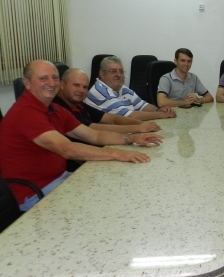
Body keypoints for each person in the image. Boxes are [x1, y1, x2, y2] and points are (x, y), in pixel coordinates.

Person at [0, 60, 163, 211]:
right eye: (43, 78)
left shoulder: (54, 109)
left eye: (55, 78)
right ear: (27, 83)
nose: (51, 83)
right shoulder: (25, 113)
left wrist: (131, 138)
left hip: (61, 179)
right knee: (108, 206)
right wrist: (119, 154)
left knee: (118, 191)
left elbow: (94, 135)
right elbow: (67, 149)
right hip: (35, 194)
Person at [54, 68, 161, 134]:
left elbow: (112, 119)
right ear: (62, 85)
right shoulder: (59, 108)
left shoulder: (79, 105)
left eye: (85, 87)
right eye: (76, 85)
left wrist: (141, 124)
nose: (81, 90)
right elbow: (94, 129)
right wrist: (137, 128)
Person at [85, 56, 176, 120]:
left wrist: (158, 110)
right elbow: (129, 116)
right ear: (102, 74)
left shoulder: (123, 88)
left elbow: (143, 105)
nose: (118, 75)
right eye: (113, 71)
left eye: (121, 71)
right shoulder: (100, 91)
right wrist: (159, 114)